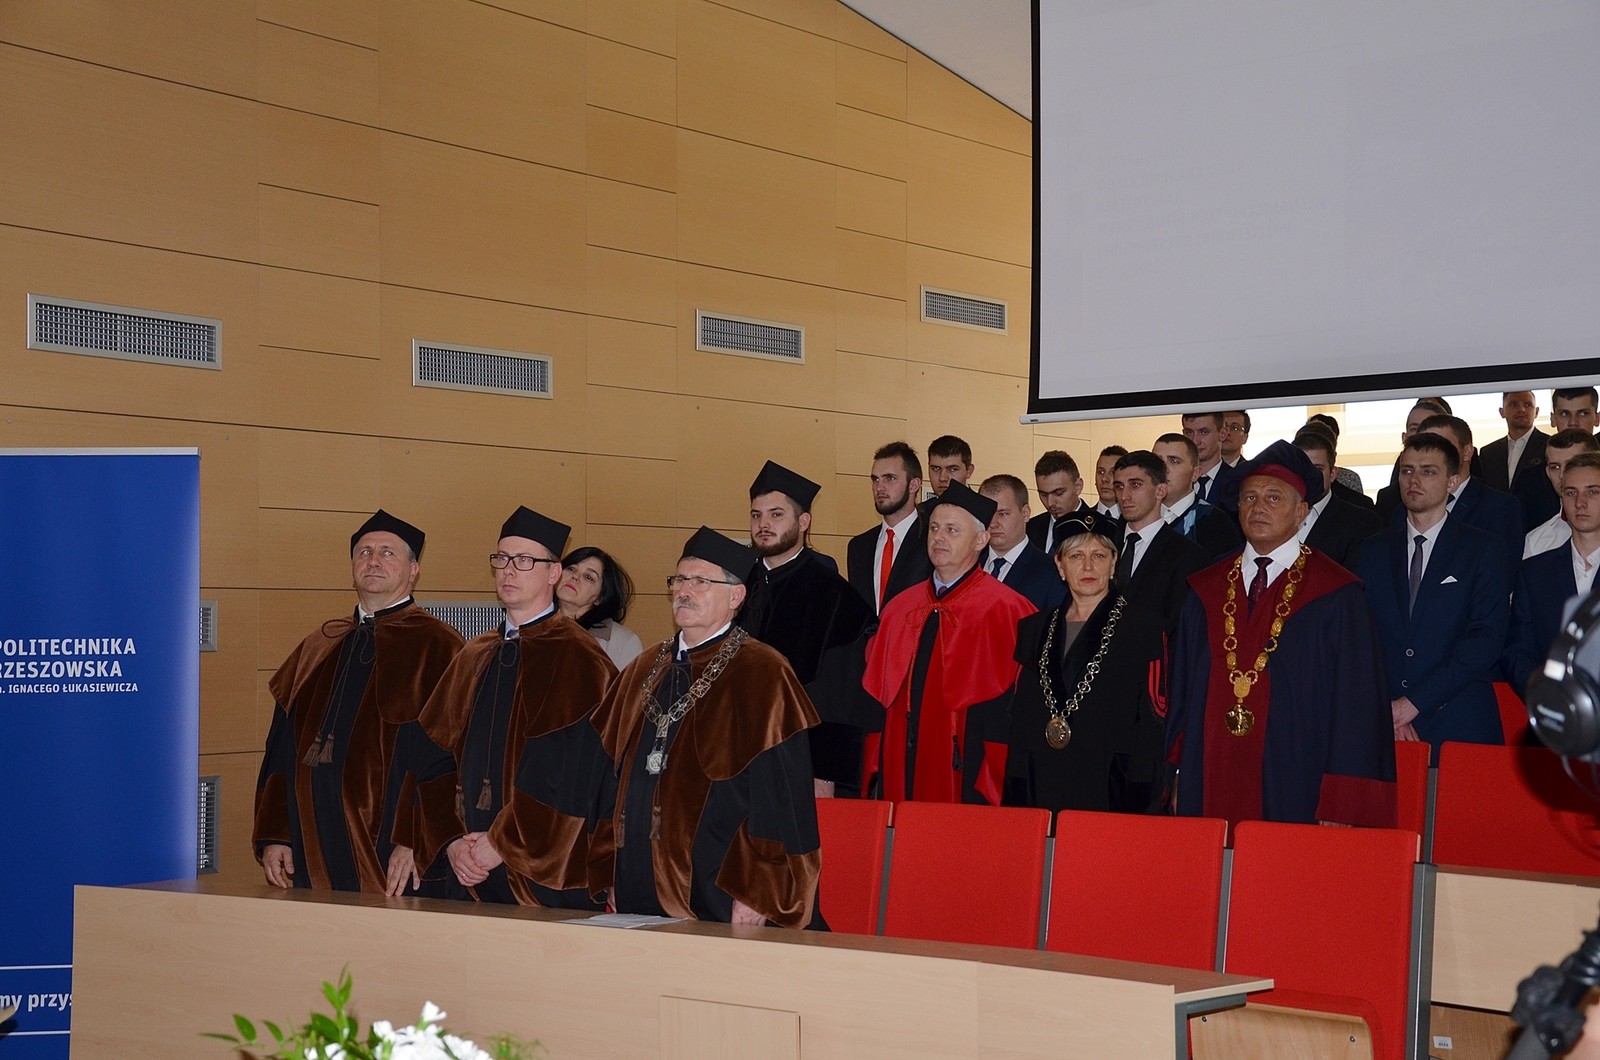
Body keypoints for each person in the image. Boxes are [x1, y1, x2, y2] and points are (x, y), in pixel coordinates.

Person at [588, 527, 822, 928]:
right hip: (637, 872)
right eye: (679, 579)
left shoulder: (764, 672)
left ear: (736, 596)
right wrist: (610, 864)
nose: (684, 591)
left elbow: (782, 797)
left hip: (720, 883)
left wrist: (760, 888)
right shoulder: (643, 668)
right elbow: (609, 776)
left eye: (700, 581)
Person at [390, 506, 617, 904]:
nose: (509, 570)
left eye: (525, 560)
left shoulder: (581, 659)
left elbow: (572, 774)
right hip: (466, 865)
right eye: (502, 558)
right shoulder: (475, 653)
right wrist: (451, 842)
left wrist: (501, 842)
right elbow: (434, 757)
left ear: (554, 573)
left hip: (540, 871)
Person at [1166, 441, 1396, 827]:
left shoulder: (1337, 596)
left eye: (1274, 498)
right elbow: (1183, 692)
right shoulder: (1205, 590)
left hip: (1299, 779)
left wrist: (1341, 802)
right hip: (1208, 773)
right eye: (1249, 498)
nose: (1259, 507)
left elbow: (1356, 709)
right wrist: (1177, 771)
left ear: (1301, 512)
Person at [254, 510, 464, 893]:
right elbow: (281, 749)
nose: (373, 561)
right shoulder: (320, 645)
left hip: (394, 848)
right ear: (352, 569)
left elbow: (450, 757)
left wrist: (417, 835)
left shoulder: (441, 648)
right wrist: (277, 833)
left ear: (414, 570)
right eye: (364, 552)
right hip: (313, 842)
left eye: (387, 553)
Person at [862, 481, 1036, 803]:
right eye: (934, 528)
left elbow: (1015, 711)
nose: (939, 537)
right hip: (902, 759)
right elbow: (876, 698)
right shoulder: (900, 608)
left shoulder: (1008, 610)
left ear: (981, 540)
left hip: (969, 765)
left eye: (952, 530)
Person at [1355, 434, 1509, 757]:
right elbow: (1359, 637)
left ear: (1452, 482)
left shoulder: (1484, 549)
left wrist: (1413, 703)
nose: (1414, 480)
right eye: (1407, 471)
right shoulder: (1372, 550)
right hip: (1385, 722)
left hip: (1459, 720)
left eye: (1428, 471)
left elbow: (1485, 639)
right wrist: (1390, 708)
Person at [1004, 510, 1166, 814]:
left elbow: (1150, 730)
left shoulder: (1144, 630)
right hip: (1041, 787)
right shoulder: (1033, 629)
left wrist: (1141, 806)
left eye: (1099, 556)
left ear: (1114, 563)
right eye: (1076, 556)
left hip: (1111, 793)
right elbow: (1020, 724)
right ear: (1060, 565)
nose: (1088, 566)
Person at [738, 460, 875, 797]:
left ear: (803, 522)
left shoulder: (833, 595)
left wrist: (825, 776)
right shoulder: (734, 584)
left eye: (776, 514)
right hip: (737, 754)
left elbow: (839, 699)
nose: (763, 524)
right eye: (756, 515)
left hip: (798, 763)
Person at [1505, 453, 1600, 696]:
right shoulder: (1533, 573)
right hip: (1554, 708)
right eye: (1570, 492)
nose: (1580, 502)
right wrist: (1545, 697)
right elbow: (1517, 650)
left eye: (1593, 492)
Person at [1413, 412, 1524, 581]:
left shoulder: (1499, 508)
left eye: (1443, 447)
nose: (1432, 455)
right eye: (1425, 447)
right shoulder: (1404, 510)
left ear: (1467, 452)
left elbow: (1502, 574)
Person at [1112, 449, 1208, 633]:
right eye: (1119, 486)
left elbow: (1182, 626)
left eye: (1135, 485)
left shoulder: (1187, 556)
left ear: (1160, 491)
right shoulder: (1104, 545)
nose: (1124, 496)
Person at [847, 441, 931, 614]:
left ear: (914, 485)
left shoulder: (932, 541)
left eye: (889, 478)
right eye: (875, 479)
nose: (879, 487)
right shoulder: (858, 547)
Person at [1293, 423, 1380, 569]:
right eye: (1302, 468)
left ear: (1332, 474)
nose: (1310, 476)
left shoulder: (1362, 523)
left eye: (1317, 469)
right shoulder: (1270, 516)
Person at [980, 473, 1067, 611]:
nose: (993, 523)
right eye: (987, 514)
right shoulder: (968, 564)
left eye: (1003, 514)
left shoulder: (1052, 573)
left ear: (1025, 513)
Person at [1517, 387, 1600, 529]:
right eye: (1564, 414)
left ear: (1597, 418)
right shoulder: (1530, 481)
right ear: (1553, 419)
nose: (1573, 422)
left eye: (1583, 413)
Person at [1154, 432, 1242, 558]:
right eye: (1157, 461)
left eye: (1174, 461)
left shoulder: (1215, 521)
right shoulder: (1137, 515)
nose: (1163, 469)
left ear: (1195, 474)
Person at [557, 546, 644, 668]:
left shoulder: (624, 642)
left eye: (589, 577)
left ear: (600, 597)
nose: (575, 576)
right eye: (571, 568)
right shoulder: (535, 624)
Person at [1524, 430, 1600, 558]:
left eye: (1572, 465)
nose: (1562, 475)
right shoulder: (1536, 542)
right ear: (1548, 473)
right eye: (1555, 467)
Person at [1027, 449, 1093, 555]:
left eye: (1059, 493)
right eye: (1043, 494)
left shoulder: (1101, 527)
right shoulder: (1029, 528)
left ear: (1078, 487)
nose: (1050, 503)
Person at [1480, 390, 1546, 495]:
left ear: (1536, 412)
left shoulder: (1549, 446)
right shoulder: (1488, 453)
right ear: (1502, 412)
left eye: (1528, 405)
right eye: (1514, 405)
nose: (1521, 410)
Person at [1182, 412, 1240, 507]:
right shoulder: (1175, 480)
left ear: (1222, 434)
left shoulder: (1236, 482)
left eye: (1204, 432)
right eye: (1189, 433)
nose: (1195, 441)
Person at [1093, 445, 1127, 518]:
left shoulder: (1135, 520)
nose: (1104, 479)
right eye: (1101, 472)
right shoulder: (1081, 519)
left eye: (1112, 472)